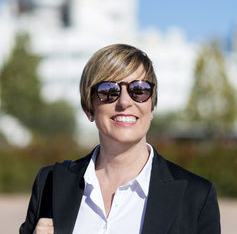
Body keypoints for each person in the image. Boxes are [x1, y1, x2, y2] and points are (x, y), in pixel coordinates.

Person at [20, 44, 221, 234]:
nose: (125, 102)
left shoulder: (196, 196)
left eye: (139, 90)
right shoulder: (51, 183)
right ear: (89, 107)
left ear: (152, 106)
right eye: (108, 91)